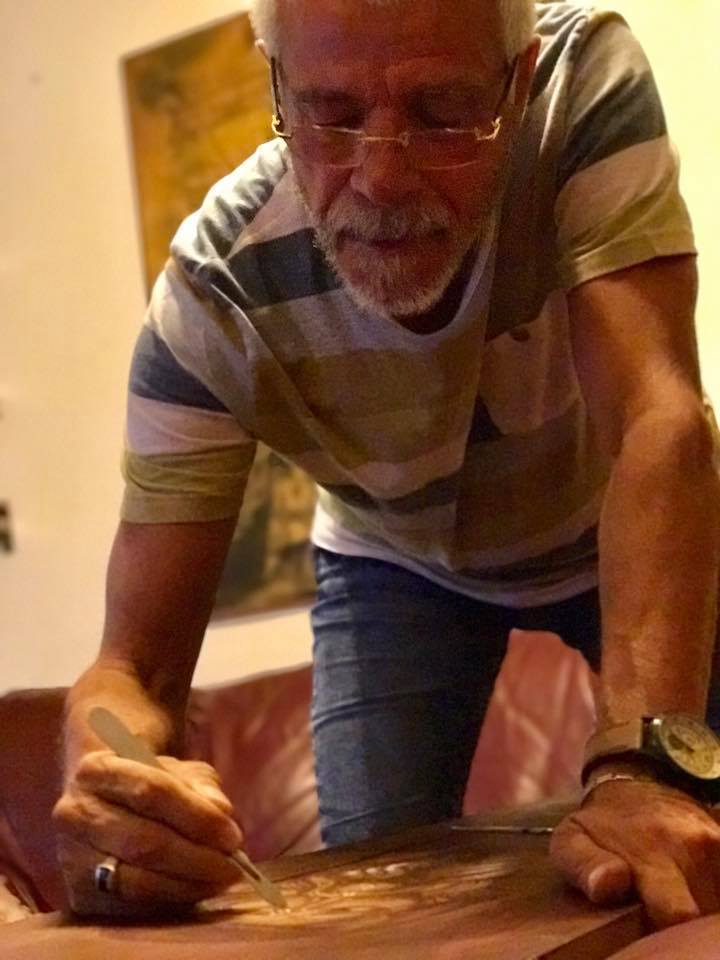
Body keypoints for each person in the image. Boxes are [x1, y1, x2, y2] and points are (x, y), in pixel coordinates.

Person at [53, 0, 720, 931]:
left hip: (618, 513)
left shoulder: (582, 85)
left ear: (519, 84)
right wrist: (105, 783)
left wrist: (642, 765)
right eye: (330, 113)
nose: (380, 178)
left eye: (444, 112)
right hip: (392, 564)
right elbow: (133, 668)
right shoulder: (212, 299)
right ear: (278, 85)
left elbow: (659, 420)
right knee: (382, 895)